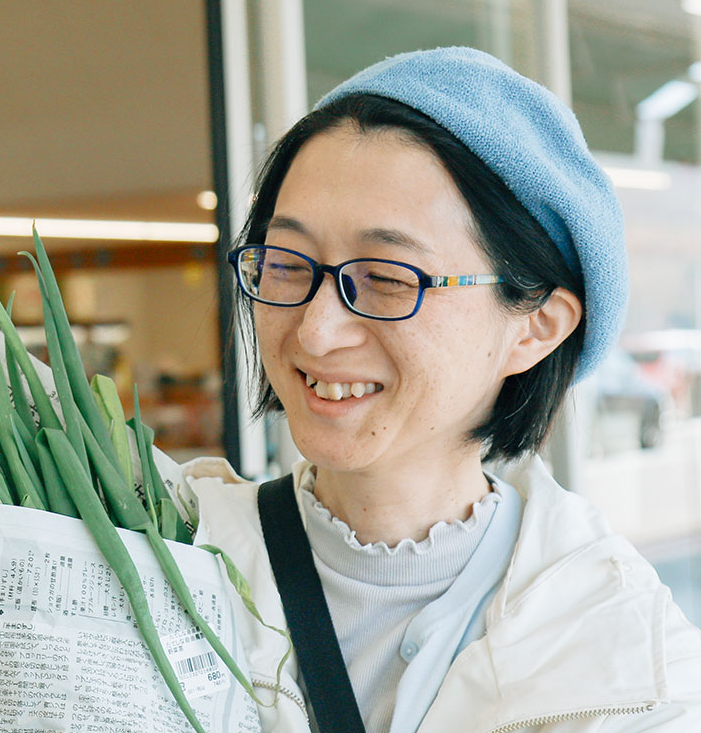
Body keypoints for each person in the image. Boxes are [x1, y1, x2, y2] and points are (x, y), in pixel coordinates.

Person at [190, 47, 701, 731]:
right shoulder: (171, 556)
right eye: (287, 263)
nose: (315, 332)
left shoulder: (632, 661)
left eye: (389, 278)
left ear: (536, 327)